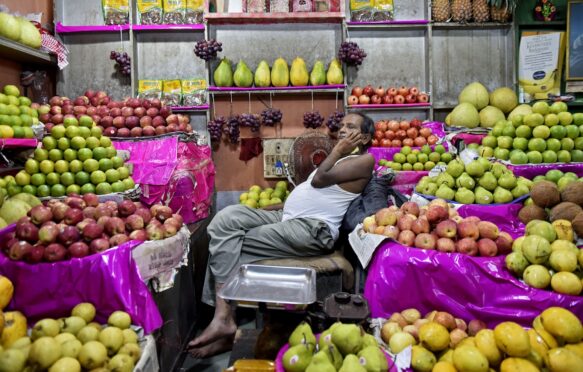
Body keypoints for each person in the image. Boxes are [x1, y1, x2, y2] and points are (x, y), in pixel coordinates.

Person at [187, 112, 376, 357]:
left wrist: (338, 149)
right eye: (341, 125)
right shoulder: (338, 160)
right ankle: (224, 322)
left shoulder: (364, 160)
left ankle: (223, 319)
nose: (341, 130)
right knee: (226, 218)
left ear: (365, 136)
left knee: (229, 243)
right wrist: (261, 210)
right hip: (288, 218)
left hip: (311, 230)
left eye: (350, 127)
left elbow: (319, 181)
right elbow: (313, 192)